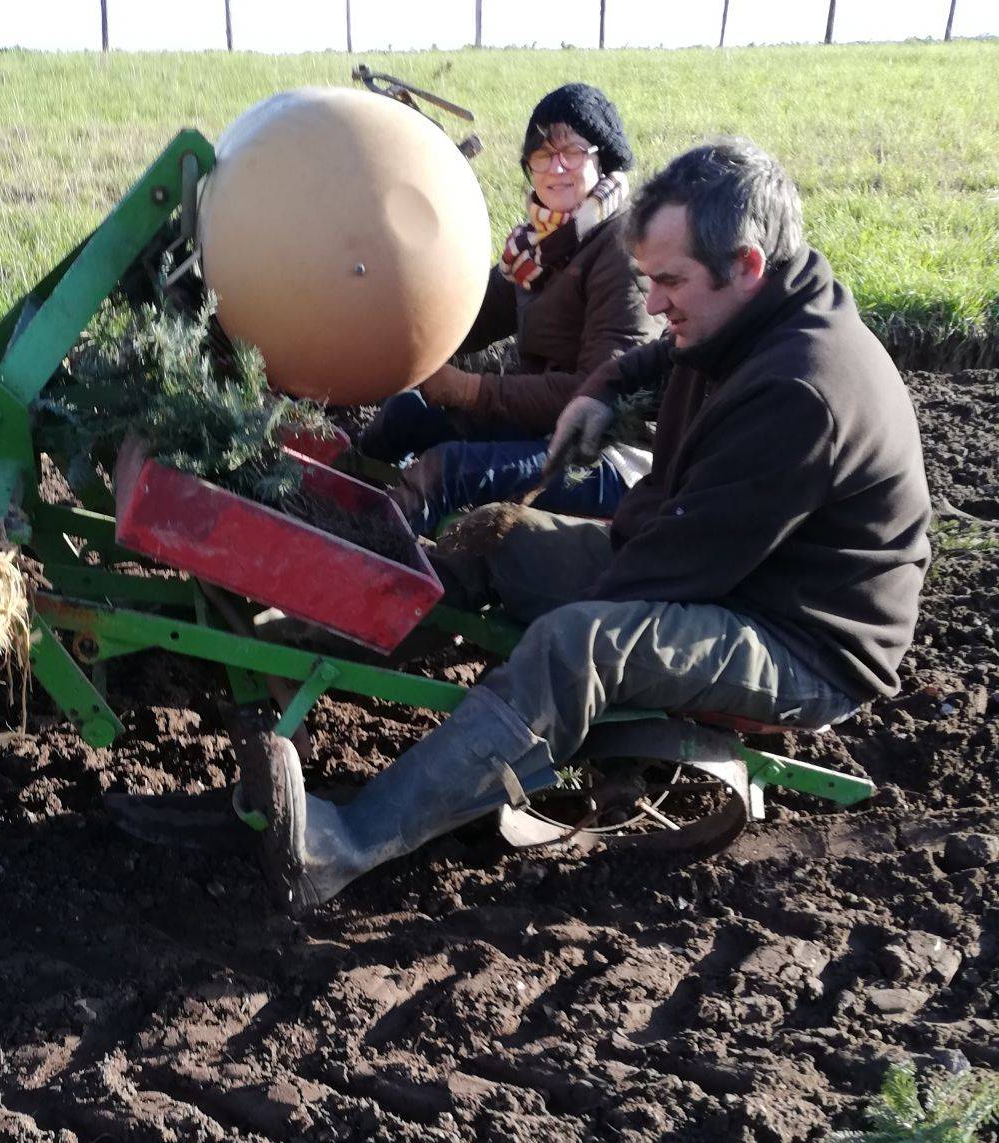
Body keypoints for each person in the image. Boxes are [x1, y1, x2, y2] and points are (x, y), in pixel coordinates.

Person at [251, 139, 930, 914]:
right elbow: (659, 357)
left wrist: (551, 608)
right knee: (493, 538)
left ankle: (342, 846)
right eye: (651, 279)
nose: (659, 300)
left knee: (577, 647)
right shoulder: (748, 312)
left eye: (671, 282)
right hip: (723, 562)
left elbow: (670, 568)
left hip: (800, 634)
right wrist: (600, 392)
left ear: (746, 265)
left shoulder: (803, 394)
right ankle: (291, 659)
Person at [358, 82, 663, 535]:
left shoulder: (621, 250)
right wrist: (396, 326)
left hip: (604, 455)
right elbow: (471, 315)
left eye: (573, 152)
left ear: (603, 159)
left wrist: (469, 391)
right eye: (542, 155)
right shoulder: (535, 248)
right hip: (538, 430)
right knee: (403, 417)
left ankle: (374, 576)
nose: (556, 167)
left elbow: (600, 392)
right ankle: (338, 510)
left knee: (446, 471)